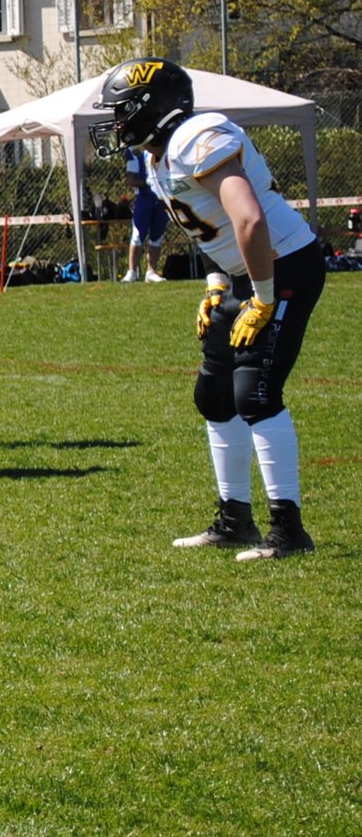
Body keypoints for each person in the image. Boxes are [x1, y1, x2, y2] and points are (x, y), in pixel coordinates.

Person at [98, 59, 322, 559]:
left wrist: (263, 297)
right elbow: (213, 227)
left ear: (153, 107)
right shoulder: (159, 158)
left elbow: (249, 219)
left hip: (283, 265)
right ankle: (234, 521)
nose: (115, 122)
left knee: (255, 393)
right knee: (214, 395)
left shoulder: (196, 136)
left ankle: (289, 531)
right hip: (249, 271)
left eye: (122, 110)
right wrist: (218, 283)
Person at [120, 146, 169, 282]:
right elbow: (130, 180)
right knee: (137, 235)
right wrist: (147, 182)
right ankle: (132, 271)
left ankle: (151, 271)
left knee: (157, 236)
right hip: (144, 198)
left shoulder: (163, 146)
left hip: (162, 197)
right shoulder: (136, 150)